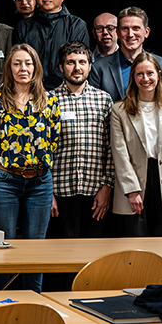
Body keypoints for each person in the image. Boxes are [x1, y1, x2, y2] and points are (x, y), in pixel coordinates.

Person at [0, 43, 59, 292]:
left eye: (28, 63)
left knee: (35, 248)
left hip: (40, 183)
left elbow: (54, 140)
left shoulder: (49, 101)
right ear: (8, 68)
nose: (23, 68)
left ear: (36, 67)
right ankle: (3, 302)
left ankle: (34, 300)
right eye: (17, 63)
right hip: (4, 181)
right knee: (4, 246)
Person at [110, 52, 162, 237]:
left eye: (150, 73)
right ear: (133, 77)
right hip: (132, 186)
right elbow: (120, 153)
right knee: (134, 248)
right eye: (139, 74)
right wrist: (132, 190)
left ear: (159, 75)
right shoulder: (119, 111)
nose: (145, 79)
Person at [48, 42, 114, 239]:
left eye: (82, 62)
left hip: (95, 192)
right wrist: (47, 193)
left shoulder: (104, 100)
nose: (77, 67)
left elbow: (111, 148)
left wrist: (107, 187)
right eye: (71, 62)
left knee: (93, 252)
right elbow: (42, 150)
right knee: (62, 252)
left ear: (90, 65)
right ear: (61, 67)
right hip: (60, 191)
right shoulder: (48, 100)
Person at [13, 0, 87, 89]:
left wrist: (52, 85)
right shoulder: (23, 27)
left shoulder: (76, 25)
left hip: (66, 90)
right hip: (31, 89)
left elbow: (77, 61)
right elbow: (18, 61)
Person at [89, 7, 162, 101]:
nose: (130, 34)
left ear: (146, 32)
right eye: (125, 29)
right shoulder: (98, 67)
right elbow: (95, 105)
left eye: (136, 28)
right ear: (118, 33)